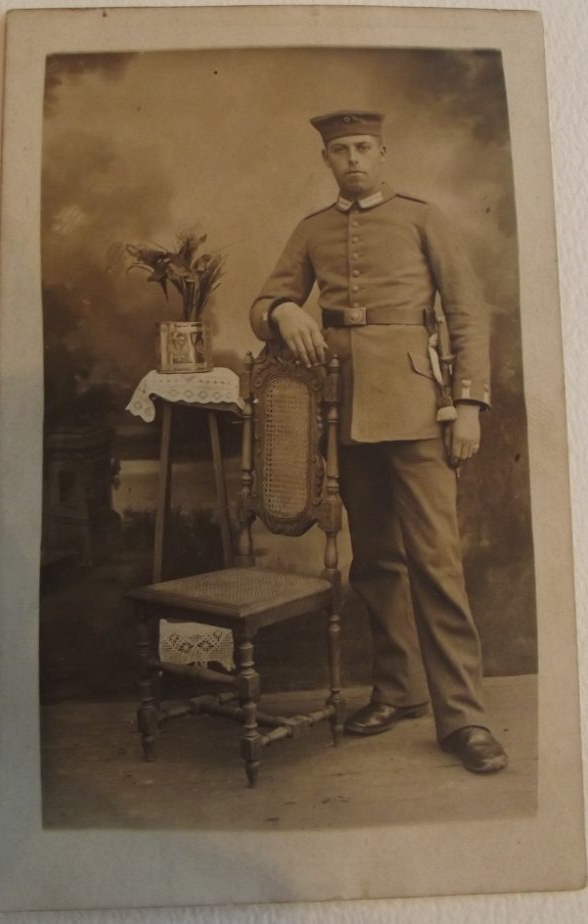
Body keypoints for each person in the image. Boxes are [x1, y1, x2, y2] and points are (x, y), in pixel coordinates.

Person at [249, 110, 507, 773]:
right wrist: (281, 310)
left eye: (364, 147)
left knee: (437, 563)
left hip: (422, 410)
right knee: (376, 562)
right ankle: (399, 689)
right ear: (328, 161)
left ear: (383, 153)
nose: (353, 159)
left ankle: (465, 719)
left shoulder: (424, 219)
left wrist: (470, 403)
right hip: (345, 414)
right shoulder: (312, 230)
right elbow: (263, 303)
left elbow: (467, 311)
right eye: (340, 150)